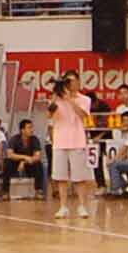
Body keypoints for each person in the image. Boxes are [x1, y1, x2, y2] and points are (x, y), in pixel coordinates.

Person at [47, 74, 95, 217]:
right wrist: (56, 97)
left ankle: (82, 206)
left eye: (73, 81)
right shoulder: (57, 99)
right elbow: (49, 115)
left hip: (77, 140)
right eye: (68, 81)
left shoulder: (85, 99)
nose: (70, 84)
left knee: (79, 177)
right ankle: (63, 206)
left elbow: (83, 115)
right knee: (61, 177)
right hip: (60, 140)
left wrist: (69, 99)